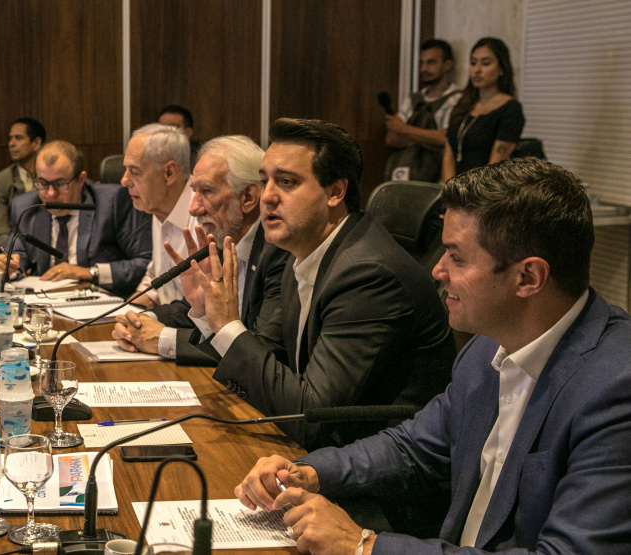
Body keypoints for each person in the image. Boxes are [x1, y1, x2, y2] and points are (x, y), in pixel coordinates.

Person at [235, 158, 631, 554]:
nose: (437, 271)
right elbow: (413, 447)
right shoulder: (486, 347)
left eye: (456, 257)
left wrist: (364, 546)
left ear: (527, 278)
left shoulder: (615, 390)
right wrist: (308, 473)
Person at [191, 118, 455, 449]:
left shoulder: (368, 275)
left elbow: (312, 418)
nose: (267, 197)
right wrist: (211, 316)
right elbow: (265, 358)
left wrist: (228, 325)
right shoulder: (300, 256)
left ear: (335, 192)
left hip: (373, 475)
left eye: (286, 182)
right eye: (264, 180)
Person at [112, 135, 291, 366]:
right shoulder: (225, 236)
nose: (193, 208)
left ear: (248, 197)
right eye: (194, 191)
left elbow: (260, 348)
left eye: (206, 191)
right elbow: (194, 307)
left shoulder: (278, 251)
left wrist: (163, 339)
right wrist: (139, 321)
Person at [0, 140, 151, 298]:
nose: (51, 194)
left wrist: (90, 272)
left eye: (60, 184)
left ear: (81, 179)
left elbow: (145, 263)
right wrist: (8, 266)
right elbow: (18, 258)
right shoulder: (25, 207)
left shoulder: (112, 202)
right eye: (42, 183)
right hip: (45, 302)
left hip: (99, 303)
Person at [122, 123, 197, 307]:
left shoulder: (204, 217)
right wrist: (129, 312)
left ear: (169, 173)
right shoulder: (159, 207)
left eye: (135, 172)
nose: (124, 181)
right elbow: (156, 279)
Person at [442, 37, 525, 181]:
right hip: (454, 190)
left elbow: (495, 165)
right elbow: (448, 153)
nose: (477, 70)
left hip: (484, 193)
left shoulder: (510, 109)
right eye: (473, 63)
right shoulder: (463, 103)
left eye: (485, 63)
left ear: (501, 69)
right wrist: (450, 188)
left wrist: (470, 197)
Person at [384, 39, 462, 182]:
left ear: (448, 65)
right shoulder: (413, 98)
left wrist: (405, 129)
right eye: (421, 63)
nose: (424, 69)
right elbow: (391, 138)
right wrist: (427, 138)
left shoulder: (458, 99)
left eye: (431, 62)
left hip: (437, 180)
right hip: (402, 177)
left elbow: (447, 139)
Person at [0, 117, 46, 247]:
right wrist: (16, 254)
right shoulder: (0, 182)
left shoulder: (52, 177)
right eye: (10, 138)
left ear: (36, 143)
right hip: (16, 251)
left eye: (18, 138)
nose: (11, 143)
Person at [158, 104, 201, 169]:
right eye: (161, 127)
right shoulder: (150, 153)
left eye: (172, 127)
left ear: (188, 132)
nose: (165, 132)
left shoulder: (199, 159)